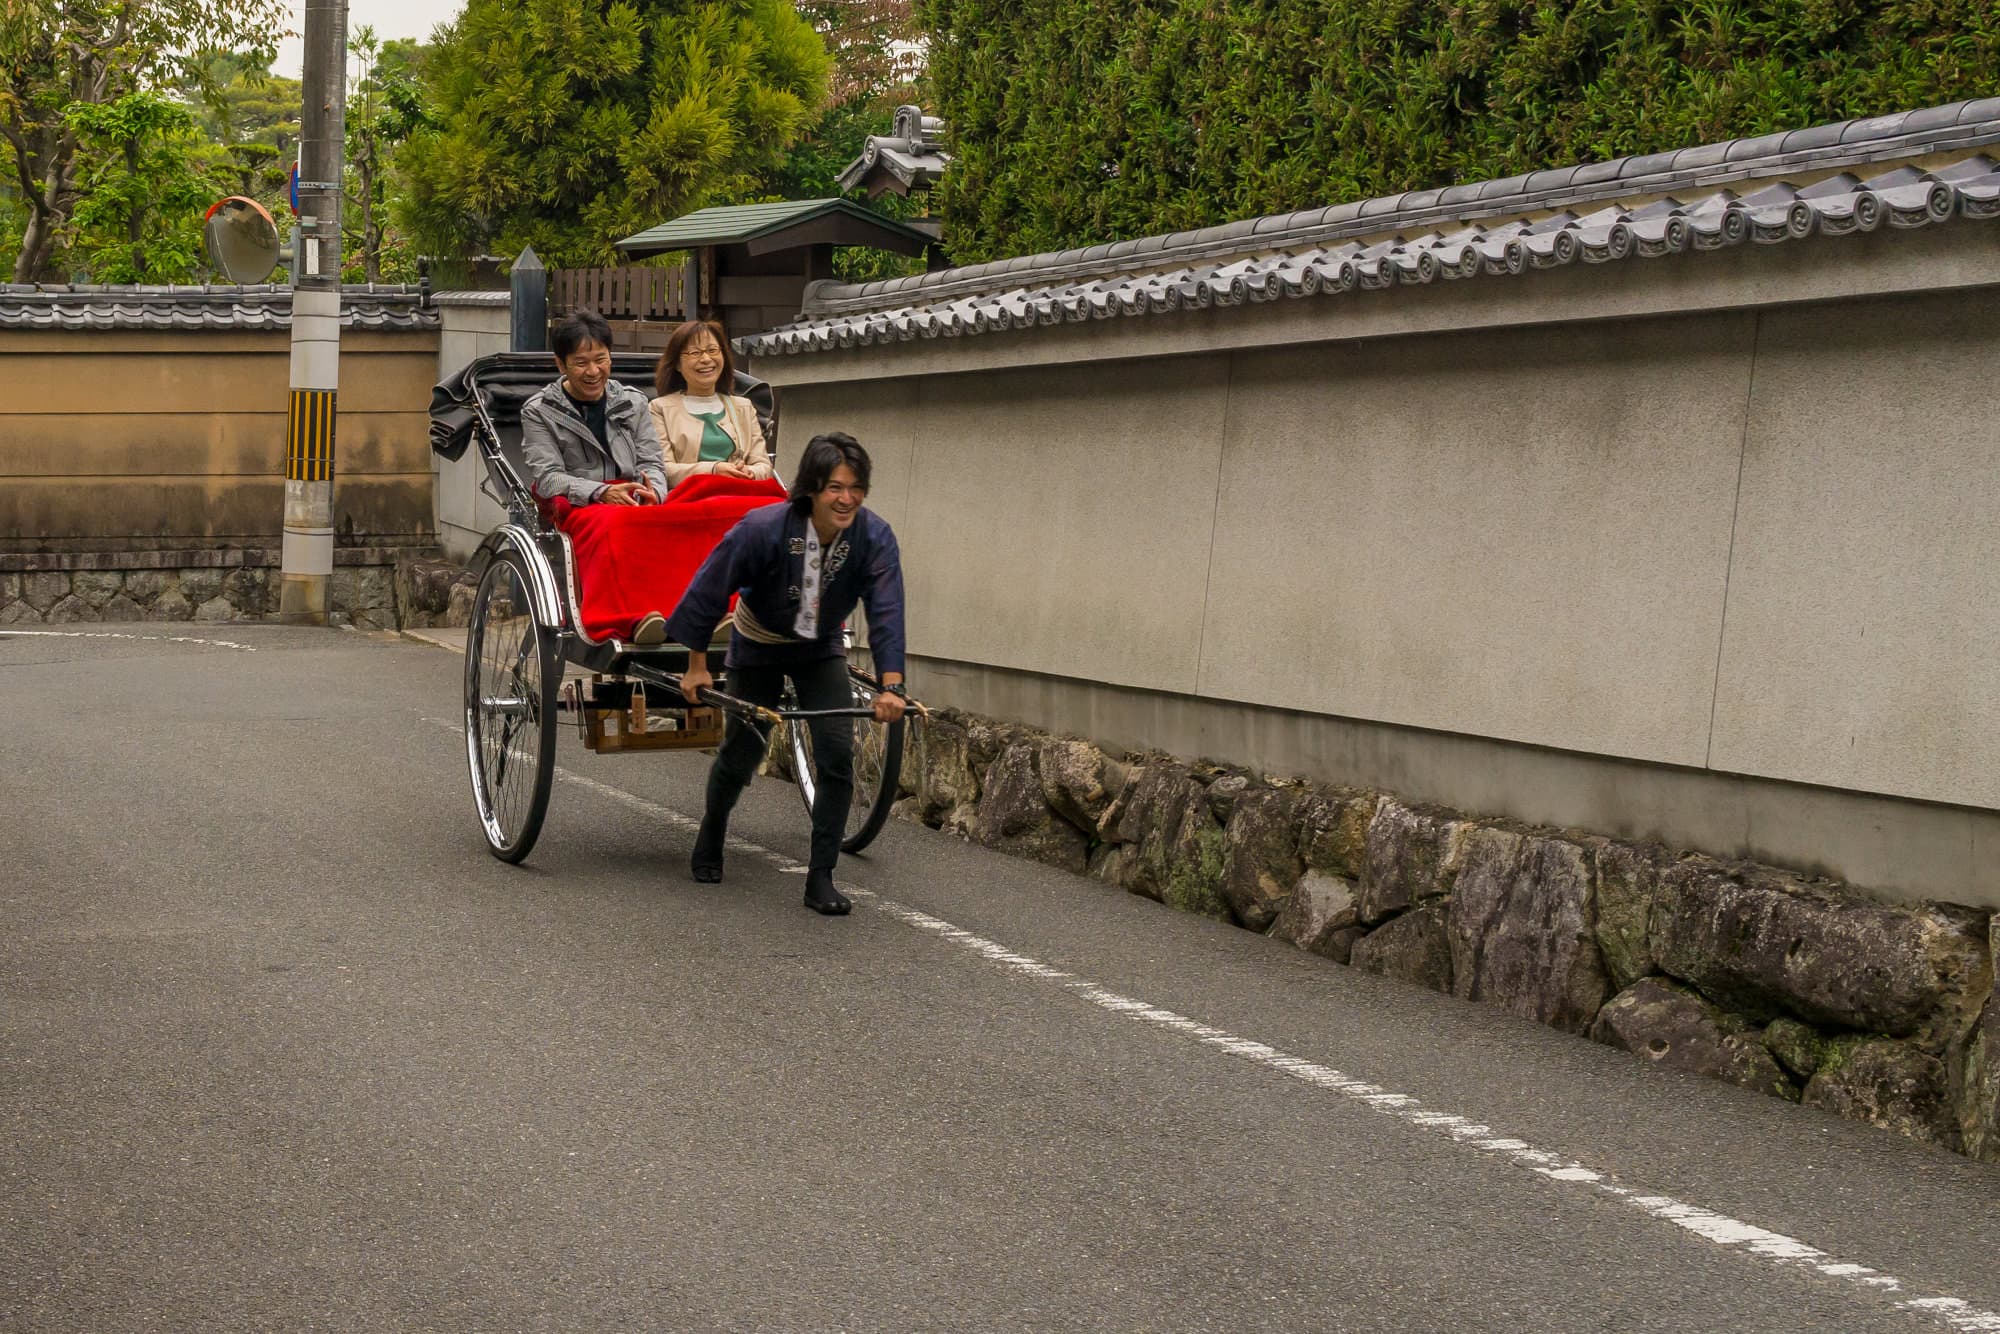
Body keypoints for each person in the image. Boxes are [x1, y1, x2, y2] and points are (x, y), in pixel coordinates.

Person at [667, 432, 907, 916]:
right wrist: (696, 666)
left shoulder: (874, 537)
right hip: (758, 643)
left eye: (856, 488)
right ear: (812, 488)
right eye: (835, 487)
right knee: (743, 751)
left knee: (837, 753)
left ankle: (821, 875)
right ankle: (712, 829)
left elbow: (886, 611)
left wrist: (892, 686)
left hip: (820, 648)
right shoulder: (763, 528)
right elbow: (710, 588)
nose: (847, 499)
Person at [519, 310, 781, 644]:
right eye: (581, 363)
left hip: (636, 498)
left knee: (671, 523)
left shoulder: (632, 401)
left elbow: (653, 462)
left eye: (601, 359)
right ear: (561, 364)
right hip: (582, 503)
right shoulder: (539, 411)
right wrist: (601, 492)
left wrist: (654, 492)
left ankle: (689, 613)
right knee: (617, 525)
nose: (593, 371)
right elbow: (548, 478)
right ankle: (630, 618)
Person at [648, 320, 774, 489]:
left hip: (742, 491)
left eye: (712, 350)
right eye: (695, 353)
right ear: (677, 364)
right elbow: (663, 470)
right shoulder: (659, 409)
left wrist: (750, 472)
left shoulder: (743, 407)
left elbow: (763, 465)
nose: (706, 359)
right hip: (690, 496)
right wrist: (713, 470)